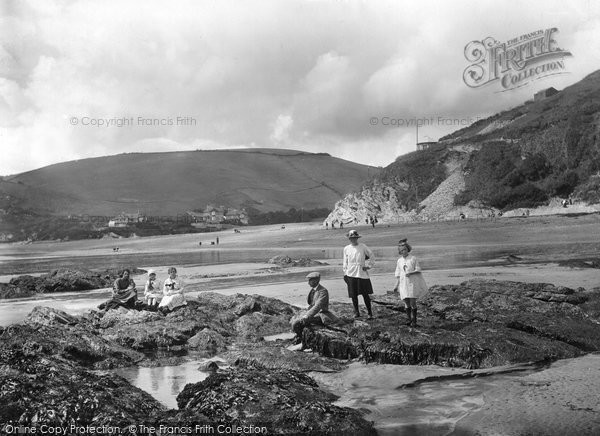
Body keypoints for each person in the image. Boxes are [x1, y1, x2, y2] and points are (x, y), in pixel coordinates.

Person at [290, 272, 339, 342]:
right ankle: (299, 337)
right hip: (313, 313)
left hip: (321, 315)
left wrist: (307, 315)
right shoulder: (313, 290)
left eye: (310, 280)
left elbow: (318, 306)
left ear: (316, 281)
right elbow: (311, 304)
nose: (308, 283)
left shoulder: (323, 291)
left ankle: (302, 340)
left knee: (297, 323)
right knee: (294, 319)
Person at [393, 239, 428, 327]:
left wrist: (411, 273)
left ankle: (414, 321)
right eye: (401, 250)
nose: (403, 252)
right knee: (406, 301)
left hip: (412, 282)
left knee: (412, 302)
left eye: (404, 249)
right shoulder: (399, 261)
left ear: (408, 249)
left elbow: (418, 269)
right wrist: (396, 285)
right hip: (403, 283)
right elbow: (398, 273)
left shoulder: (413, 258)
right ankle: (409, 319)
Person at [343, 229, 375, 319]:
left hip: (361, 273)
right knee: (354, 295)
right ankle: (356, 312)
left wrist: (369, 266)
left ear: (357, 238)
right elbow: (345, 262)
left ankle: (370, 313)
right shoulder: (346, 248)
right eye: (351, 238)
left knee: (365, 294)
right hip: (351, 273)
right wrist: (345, 273)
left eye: (355, 238)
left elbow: (371, 255)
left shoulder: (363, 246)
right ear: (349, 239)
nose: (353, 239)